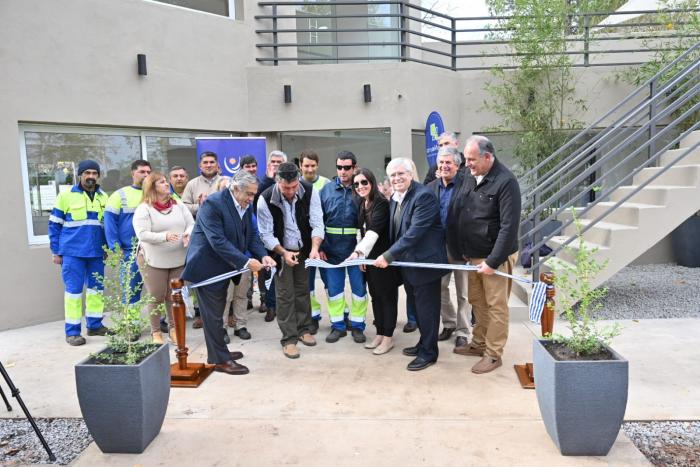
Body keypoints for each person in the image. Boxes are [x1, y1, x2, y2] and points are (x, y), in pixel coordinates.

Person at [181, 171, 275, 375]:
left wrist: (262, 255)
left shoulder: (244, 205)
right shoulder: (213, 204)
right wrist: (247, 261)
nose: (251, 199)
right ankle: (219, 360)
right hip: (207, 268)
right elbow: (217, 241)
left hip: (226, 267)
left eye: (253, 194)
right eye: (248, 194)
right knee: (214, 315)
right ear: (235, 189)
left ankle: (220, 351)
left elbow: (251, 236)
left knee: (219, 309)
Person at [447, 135, 521, 374]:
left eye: (472, 159)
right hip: (474, 255)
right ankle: (478, 344)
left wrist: (493, 261)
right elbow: (462, 209)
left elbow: (509, 227)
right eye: (466, 159)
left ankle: (493, 354)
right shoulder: (471, 175)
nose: (467, 164)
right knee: (477, 302)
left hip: (494, 257)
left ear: (488, 157)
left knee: (496, 306)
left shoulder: (506, 182)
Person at [374, 158, 448, 371]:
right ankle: (424, 343)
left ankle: (429, 353)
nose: (396, 178)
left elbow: (413, 233)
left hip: (425, 265)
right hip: (408, 264)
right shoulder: (397, 198)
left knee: (428, 311)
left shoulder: (423, 196)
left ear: (410, 174)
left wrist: (388, 256)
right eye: (393, 175)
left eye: (401, 174)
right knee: (417, 308)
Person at [257, 162, 324, 359]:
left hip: (304, 249)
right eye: (286, 188)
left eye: (294, 186)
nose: (291, 191)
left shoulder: (310, 191)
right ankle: (289, 339)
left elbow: (317, 222)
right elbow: (266, 234)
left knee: (303, 290)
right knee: (285, 295)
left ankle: (304, 329)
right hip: (281, 252)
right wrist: (284, 253)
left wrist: (314, 249)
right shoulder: (266, 198)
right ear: (277, 182)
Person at [49, 160, 110, 346]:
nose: (91, 176)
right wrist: (55, 251)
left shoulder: (104, 197)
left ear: (98, 176)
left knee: (96, 291)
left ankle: (94, 325)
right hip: (72, 252)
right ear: (80, 175)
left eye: (94, 173)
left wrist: (106, 248)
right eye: (87, 173)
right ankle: (73, 332)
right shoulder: (66, 196)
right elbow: (54, 225)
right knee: (73, 293)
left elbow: (106, 226)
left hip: (96, 253)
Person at [133, 172, 194, 344]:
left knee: (173, 296)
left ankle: (174, 329)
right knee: (156, 296)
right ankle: (156, 332)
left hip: (177, 258)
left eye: (167, 181)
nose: (167, 184)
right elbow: (142, 234)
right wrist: (164, 237)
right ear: (152, 187)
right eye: (162, 182)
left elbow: (191, 223)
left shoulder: (178, 205)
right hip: (153, 260)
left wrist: (188, 234)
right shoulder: (144, 209)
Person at [347, 168, 398, 355]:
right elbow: (361, 231)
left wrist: (359, 252)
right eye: (357, 184)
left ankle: (388, 338)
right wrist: (363, 257)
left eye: (364, 182)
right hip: (370, 260)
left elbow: (374, 231)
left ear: (372, 183)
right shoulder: (363, 203)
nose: (360, 186)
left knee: (387, 298)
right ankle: (379, 333)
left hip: (384, 260)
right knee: (376, 297)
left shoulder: (381, 204)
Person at [319, 151, 368, 343]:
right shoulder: (326, 190)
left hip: (356, 251)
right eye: (339, 167)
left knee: (359, 291)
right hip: (331, 250)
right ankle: (338, 326)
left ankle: (357, 326)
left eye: (347, 167)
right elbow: (318, 220)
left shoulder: (362, 189)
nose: (342, 171)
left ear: (354, 167)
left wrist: (364, 252)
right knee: (334, 291)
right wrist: (321, 246)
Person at [427, 146, 471, 351]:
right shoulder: (431, 187)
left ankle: (463, 331)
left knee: (463, 292)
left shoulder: (467, 185)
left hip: (460, 248)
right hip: (438, 247)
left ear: (457, 165)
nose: (444, 166)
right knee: (440, 288)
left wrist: (469, 247)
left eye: (448, 163)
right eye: (441, 162)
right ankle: (449, 323)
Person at [105, 159, 152, 313]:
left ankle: (161, 322)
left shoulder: (157, 192)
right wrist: (115, 247)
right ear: (133, 173)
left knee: (158, 289)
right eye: (142, 172)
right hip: (130, 251)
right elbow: (110, 224)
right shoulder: (120, 195)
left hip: (154, 248)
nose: (146, 175)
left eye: (148, 172)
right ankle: (131, 325)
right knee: (131, 289)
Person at [181, 151, 222, 329]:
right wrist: (201, 206)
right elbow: (184, 208)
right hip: (201, 238)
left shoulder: (225, 181)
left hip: (220, 235)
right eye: (205, 162)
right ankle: (201, 313)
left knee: (220, 278)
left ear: (217, 164)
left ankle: (224, 315)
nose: (208, 165)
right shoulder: (192, 184)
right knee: (201, 277)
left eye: (212, 162)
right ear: (200, 165)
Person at [299, 149, 331, 330]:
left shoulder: (326, 184)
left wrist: (321, 245)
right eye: (306, 166)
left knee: (330, 282)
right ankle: (312, 317)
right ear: (300, 166)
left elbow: (327, 217)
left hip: (323, 245)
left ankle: (339, 316)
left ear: (317, 165)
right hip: (304, 246)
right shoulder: (295, 184)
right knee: (307, 284)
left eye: (312, 165)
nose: (309, 169)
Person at [256, 150, 288, 323]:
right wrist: (269, 178)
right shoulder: (263, 181)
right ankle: (270, 306)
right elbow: (257, 201)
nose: (276, 164)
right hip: (267, 236)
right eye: (273, 162)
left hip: (287, 236)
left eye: (279, 162)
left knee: (285, 275)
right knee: (269, 273)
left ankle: (284, 307)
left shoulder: (291, 181)